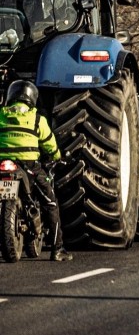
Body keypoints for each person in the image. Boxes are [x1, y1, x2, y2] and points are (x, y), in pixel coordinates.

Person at [0, 80, 71, 261]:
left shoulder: (1, 114)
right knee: (51, 203)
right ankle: (57, 249)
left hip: (3, 163)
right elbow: (50, 144)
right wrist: (57, 157)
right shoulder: (37, 118)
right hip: (29, 166)